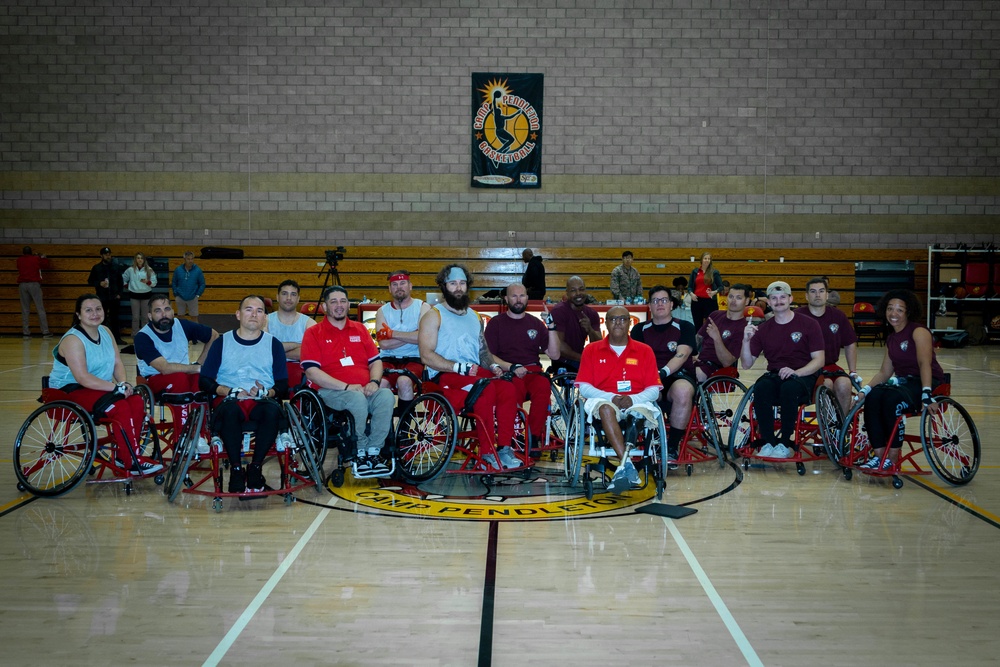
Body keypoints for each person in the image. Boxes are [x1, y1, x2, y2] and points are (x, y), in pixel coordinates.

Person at [418, 264, 521, 470]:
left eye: (462, 283)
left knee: (509, 388)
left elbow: (482, 352)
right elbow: (426, 356)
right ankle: (487, 452)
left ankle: (505, 448)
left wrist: (492, 365)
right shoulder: (433, 315)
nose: (458, 288)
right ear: (444, 286)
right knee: (486, 389)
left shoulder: (474, 317)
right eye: (453, 283)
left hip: (473, 373)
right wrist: (457, 367)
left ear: (468, 286)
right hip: (444, 375)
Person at [48, 294, 162, 475]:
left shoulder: (106, 332)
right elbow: (83, 378)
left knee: (136, 401)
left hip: (100, 388)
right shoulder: (73, 340)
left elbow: (117, 362)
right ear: (78, 314)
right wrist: (116, 389)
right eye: (88, 310)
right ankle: (132, 461)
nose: (94, 313)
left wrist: (123, 383)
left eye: (98, 309)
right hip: (69, 390)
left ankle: (125, 455)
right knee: (120, 406)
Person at [301, 285, 394, 475]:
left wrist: (374, 382)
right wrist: (347, 387)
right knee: (357, 400)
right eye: (333, 301)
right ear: (325, 307)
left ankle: (374, 451)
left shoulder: (359, 329)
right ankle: (359, 451)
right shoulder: (313, 333)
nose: (339, 305)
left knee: (386, 396)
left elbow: (376, 362)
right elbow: (311, 372)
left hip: (363, 389)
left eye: (343, 301)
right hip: (331, 391)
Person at [199, 295, 288, 494]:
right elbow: (204, 380)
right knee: (230, 412)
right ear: (238, 314)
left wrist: (268, 392)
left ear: (265, 317)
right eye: (249, 309)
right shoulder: (222, 342)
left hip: (260, 399)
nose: (254, 314)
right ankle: (237, 470)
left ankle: (256, 467)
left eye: (259, 311)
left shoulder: (274, 344)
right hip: (229, 398)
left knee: (272, 412)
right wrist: (228, 391)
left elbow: (283, 383)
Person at [855, 289, 946, 471]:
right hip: (902, 383)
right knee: (873, 398)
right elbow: (884, 373)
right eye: (890, 309)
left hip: (926, 381)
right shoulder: (892, 338)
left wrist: (927, 393)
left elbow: (924, 363)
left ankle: (893, 456)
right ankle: (880, 456)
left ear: (908, 312)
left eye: (899, 310)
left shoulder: (918, 331)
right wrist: (865, 390)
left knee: (890, 401)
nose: (893, 314)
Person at [575, 305, 662, 492]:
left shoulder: (645, 350)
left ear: (630, 323)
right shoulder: (591, 350)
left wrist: (633, 399)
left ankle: (624, 468)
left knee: (638, 414)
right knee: (605, 409)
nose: (618, 323)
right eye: (613, 319)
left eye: (622, 319)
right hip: (605, 400)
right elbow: (584, 387)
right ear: (605, 323)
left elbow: (654, 390)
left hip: (637, 400)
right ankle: (627, 464)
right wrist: (611, 397)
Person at [740, 281, 825, 459]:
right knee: (761, 387)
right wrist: (746, 340)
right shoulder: (763, 329)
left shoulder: (809, 324)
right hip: (776, 374)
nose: (779, 301)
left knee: (789, 388)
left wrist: (797, 372)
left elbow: (819, 360)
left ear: (790, 299)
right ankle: (768, 442)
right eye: (774, 298)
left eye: (782, 297)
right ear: (768, 302)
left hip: (803, 375)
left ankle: (785, 442)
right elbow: (747, 364)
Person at [484, 282, 560, 454]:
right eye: (514, 296)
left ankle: (532, 438)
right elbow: (489, 355)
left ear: (527, 298)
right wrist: (511, 367)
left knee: (543, 386)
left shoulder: (536, 324)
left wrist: (552, 327)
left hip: (532, 372)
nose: (518, 300)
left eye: (522, 296)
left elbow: (554, 355)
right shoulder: (496, 323)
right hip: (507, 372)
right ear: (506, 298)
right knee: (513, 387)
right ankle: (514, 434)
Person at [630, 286, 697, 466]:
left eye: (664, 300)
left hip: (677, 375)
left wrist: (663, 372)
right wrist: (651, 378)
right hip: (649, 378)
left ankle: (673, 446)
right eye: (655, 301)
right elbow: (634, 359)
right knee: (647, 394)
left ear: (671, 304)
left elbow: (682, 354)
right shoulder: (639, 330)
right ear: (649, 306)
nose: (660, 304)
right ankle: (652, 440)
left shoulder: (685, 327)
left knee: (682, 392)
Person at [800, 276, 860, 415]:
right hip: (806, 367)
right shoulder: (797, 316)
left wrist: (853, 371)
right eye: (813, 291)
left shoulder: (838, 316)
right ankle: (827, 427)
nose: (817, 295)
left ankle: (840, 427)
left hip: (831, 366)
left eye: (821, 291)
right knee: (826, 384)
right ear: (807, 296)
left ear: (827, 294)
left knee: (845, 384)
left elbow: (850, 343)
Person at [375, 270, 430, 404]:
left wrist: (391, 334)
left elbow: (423, 338)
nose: (399, 287)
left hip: (414, 359)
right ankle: (385, 425)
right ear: (389, 288)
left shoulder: (423, 307)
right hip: (387, 358)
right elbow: (383, 344)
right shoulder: (382, 311)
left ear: (410, 286)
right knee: (379, 385)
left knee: (404, 382)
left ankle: (404, 424)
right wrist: (413, 335)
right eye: (394, 284)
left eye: (402, 283)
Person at [694, 283, 752, 383]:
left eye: (738, 298)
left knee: (689, 376)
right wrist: (690, 354)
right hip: (699, 361)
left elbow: (727, 362)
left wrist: (717, 338)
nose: (733, 301)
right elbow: (698, 337)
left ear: (746, 301)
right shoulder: (715, 315)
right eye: (731, 297)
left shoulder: (744, 328)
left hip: (716, 367)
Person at [265, 279, 317, 389]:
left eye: (293, 294)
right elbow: (265, 350)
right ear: (277, 297)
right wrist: (298, 345)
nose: (289, 298)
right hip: (271, 373)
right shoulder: (265, 320)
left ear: (298, 299)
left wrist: (277, 353)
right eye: (284, 294)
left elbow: (310, 353)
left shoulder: (310, 323)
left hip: (302, 375)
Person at [549, 276, 602, 374]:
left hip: (580, 358)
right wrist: (583, 358)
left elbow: (599, 345)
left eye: (581, 289)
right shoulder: (559, 311)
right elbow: (559, 346)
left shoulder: (592, 314)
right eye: (573, 290)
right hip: (562, 360)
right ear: (567, 293)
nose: (578, 293)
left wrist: (590, 330)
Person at [87, 246, 125, 344]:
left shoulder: (116, 267)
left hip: (114, 297)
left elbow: (120, 282)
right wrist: (99, 283)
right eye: (106, 255)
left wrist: (120, 294)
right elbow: (90, 281)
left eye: (109, 255)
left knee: (115, 319)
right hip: (102, 298)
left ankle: (117, 338)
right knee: (101, 319)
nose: (108, 257)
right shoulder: (96, 268)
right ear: (101, 256)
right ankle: (100, 338)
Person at [17, 245, 52, 338]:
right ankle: (45, 331)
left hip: (22, 285)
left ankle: (26, 332)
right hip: (34, 284)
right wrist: (43, 258)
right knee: (40, 308)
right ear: (31, 252)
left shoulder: (19, 260)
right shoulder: (36, 259)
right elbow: (45, 265)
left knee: (25, 309)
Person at [122, 251, 157, 341]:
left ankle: (145, 334)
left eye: (141, 258)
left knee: (145, 317)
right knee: (135, 317)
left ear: (144, 260)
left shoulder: (149, 269)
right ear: (135, 259)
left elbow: (154, 282)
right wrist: (127, 285)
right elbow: (123, 278)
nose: (140, 260)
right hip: (134, 295)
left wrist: (148, 282)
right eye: (138, 258)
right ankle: (135, 335)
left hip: (146, 295)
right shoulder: (130, 270)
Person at [689, 251, 723, 330]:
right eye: (705, 258)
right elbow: (690, 287)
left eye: (709, 259)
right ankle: (698, 341)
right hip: (697, 301)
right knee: (697, 324)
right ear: (701, 260)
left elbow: (721, 286)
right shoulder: (695, 272)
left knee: (711, 324)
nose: (707, 260)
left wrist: (714, 292)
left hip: (710, 301)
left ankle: (709, 341)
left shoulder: (714, 272)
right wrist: (691, 294)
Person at [172, 251, 205, 323]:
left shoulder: (198, 270)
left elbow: (202, 284)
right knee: (180, 317)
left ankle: (195, 333)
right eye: (188, 259)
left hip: (193, 297)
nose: (190, 261)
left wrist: (198, 295)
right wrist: (176, 293)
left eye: (192, 259)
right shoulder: (178, 270)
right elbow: (174, 282)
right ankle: (182, 332)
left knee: (194, 317)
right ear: (184, 260)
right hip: (180, 297)